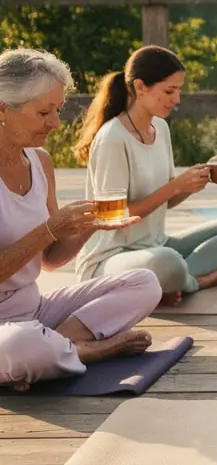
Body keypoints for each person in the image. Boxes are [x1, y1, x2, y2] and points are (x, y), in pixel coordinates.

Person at [0, 49, 161, 390]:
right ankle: (86, 350)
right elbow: (45, 236)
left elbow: (50, 259)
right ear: (3, 109)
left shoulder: (40, 162)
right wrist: (50, 228)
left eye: (57, 110)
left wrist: (88, 226)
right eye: (43, 112)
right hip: (8, 333)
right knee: (21, 345)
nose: (55, 123)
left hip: (34, 310)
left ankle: (58, 347)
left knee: (145, 283)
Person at [74, 46, 217, 306]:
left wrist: (200, 176)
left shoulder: (160, 128)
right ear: (140, 87)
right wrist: (174, 187)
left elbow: (167, 201)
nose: (177, 99)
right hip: (111, 259)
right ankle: (194, 281)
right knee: (168, 262)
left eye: (179, 90)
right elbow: (112, 217)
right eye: (169, 91)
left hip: (157, 245)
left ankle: (179, 280)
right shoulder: (112, 138)